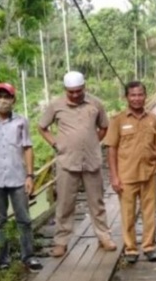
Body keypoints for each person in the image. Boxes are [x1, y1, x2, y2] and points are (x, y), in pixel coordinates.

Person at [38, 71, 117, 258]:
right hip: (67, 161)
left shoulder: (95, 103)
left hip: (91, 160)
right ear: (65, 90)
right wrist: (56, 144)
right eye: (71, 92)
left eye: (78, 91)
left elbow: (104, 127)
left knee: (96, 201)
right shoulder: (56, 105)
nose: (75, 95)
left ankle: (104, 236)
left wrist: (92, 142)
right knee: (65, 203)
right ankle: (61, 242)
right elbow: (42, 127)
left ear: (85, 87)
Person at [0, 82, 43, 272]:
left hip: (18, 178)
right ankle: (2, 260)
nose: (3, 100)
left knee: (24, 219)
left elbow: (27, 148)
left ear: (13, 100)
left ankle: (28, 257)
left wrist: (30, 176)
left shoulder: (21, 122)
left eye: (7, 97)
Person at [104, 81, 156, 264]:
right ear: (127, 97)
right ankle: (131, 248)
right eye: (133, 95)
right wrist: (114, 176)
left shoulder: (153, 119)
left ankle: (149, 246)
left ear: (145, 96)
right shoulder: (118, 120)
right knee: (128, 214)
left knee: (150, 213)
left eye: (140, 95)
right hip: (127, 176)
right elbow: (112, 149)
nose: (137, 98)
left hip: (149, 173)